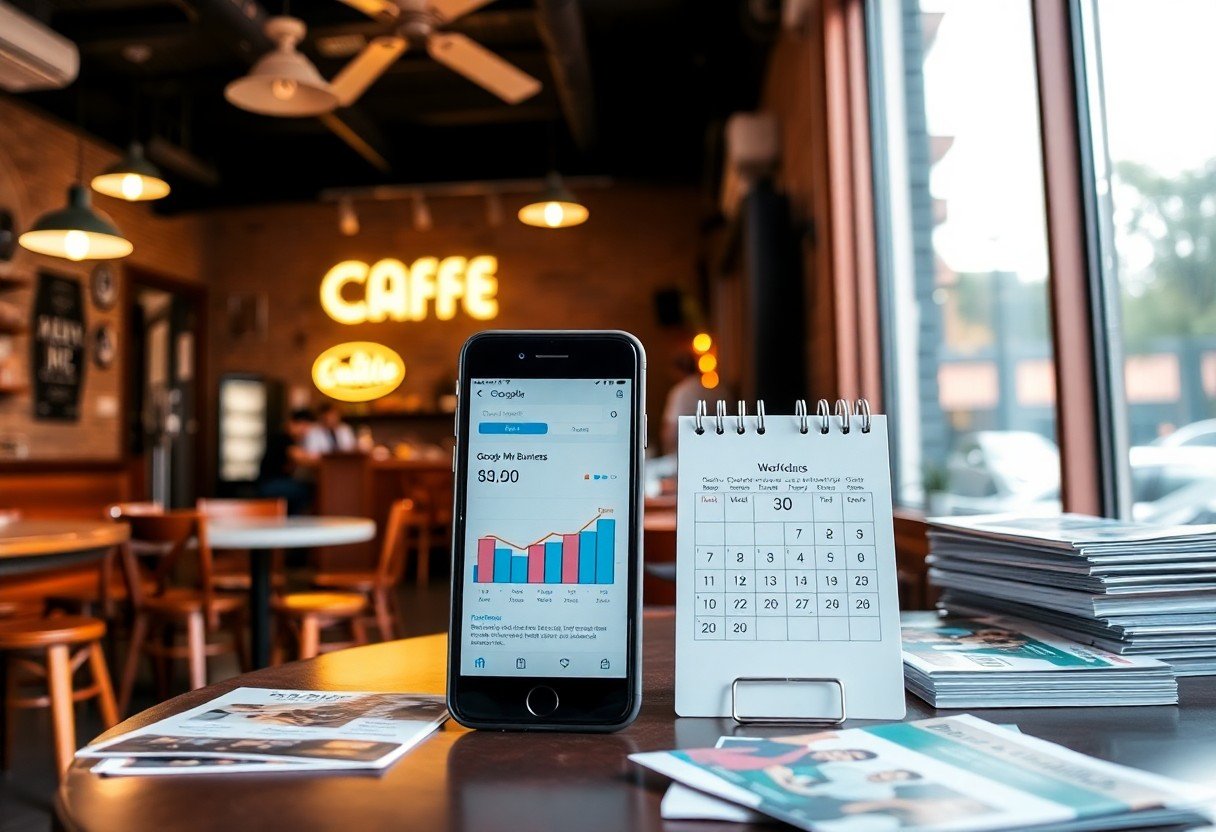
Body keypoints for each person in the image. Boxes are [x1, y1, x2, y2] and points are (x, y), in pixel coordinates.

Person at [257, 408, 315, 514]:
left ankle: (291, 520)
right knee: (307, 491)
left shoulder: (292, 440)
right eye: (303, 426)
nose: (305, 430)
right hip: (270, 484)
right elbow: (301, 458)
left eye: (307, 427)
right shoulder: (283, 438)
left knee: (304, 489)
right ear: (292, 424)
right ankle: (293, 523)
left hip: (276, 482)